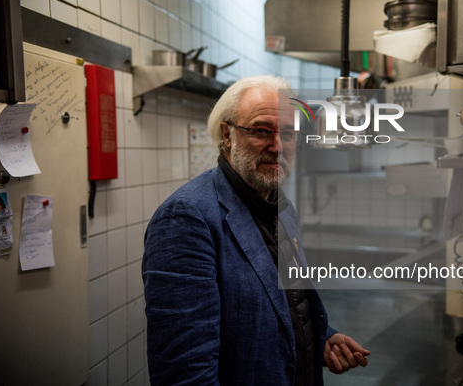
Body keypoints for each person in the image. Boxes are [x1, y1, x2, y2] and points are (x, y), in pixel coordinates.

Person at [142, 75, 370, 385]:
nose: (277, 146)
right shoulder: (188, 217)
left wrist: (319, 338)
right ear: (228, 134)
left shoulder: (281, 207)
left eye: (288, 133)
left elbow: (282, 304)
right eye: (261, 131)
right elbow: (185, 372)